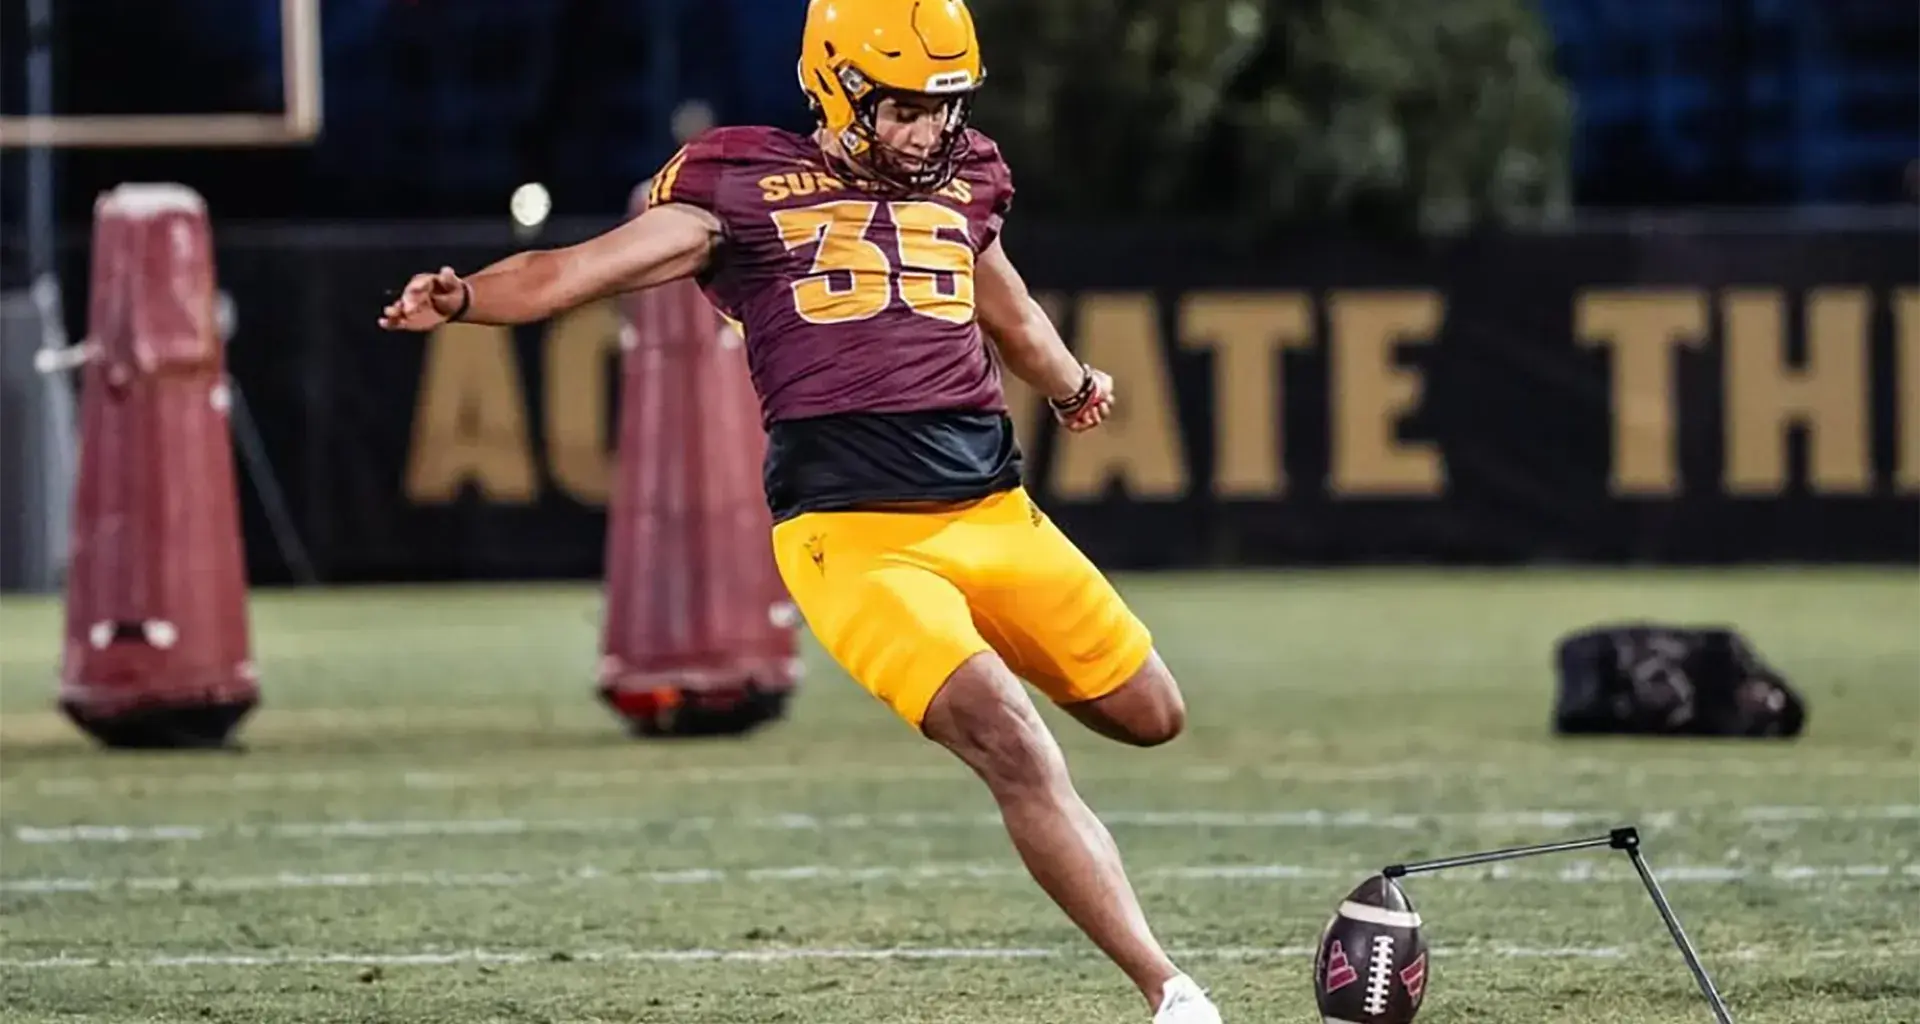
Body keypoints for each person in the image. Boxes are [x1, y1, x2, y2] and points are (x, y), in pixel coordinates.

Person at [378, 1, 1221, 1020]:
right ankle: (1168, 989)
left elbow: (1003, 300)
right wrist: (465, 297)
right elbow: (575, 272)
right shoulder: (736, 184)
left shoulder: (968, 179)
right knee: (1013, 740)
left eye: (943, 108)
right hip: (856, 539)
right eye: (903, 108)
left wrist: (1072, 381)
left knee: (1151, 715)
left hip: (994, 511)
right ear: (838, 84)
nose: (926, 132)